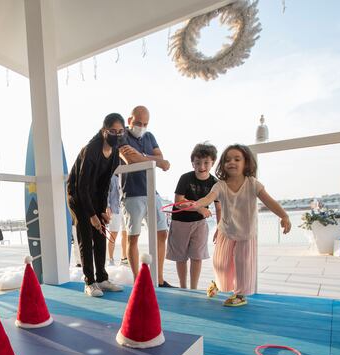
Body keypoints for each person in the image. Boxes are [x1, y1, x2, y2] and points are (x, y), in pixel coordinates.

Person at [191, 144, 291, 307]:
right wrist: (197, 204)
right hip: (226, 230)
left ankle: (240, 295)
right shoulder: (220, 185)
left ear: (246, 162)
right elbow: (209, 198)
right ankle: (219, 283)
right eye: (228, 160)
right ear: (222, 164)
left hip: (246, 233)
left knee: (243, 265)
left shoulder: (252, 183)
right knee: (221, 263)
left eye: (237, 159)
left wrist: (284, 216)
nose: (232, 162)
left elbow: (269, 201)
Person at [67, 113, 126, 297]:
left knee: (100, 234)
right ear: (104, 131)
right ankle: (89, 282)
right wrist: (92, 216)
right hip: (78, 196)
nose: (116, 135)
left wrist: (102, 210)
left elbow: (105, 184)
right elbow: (82, 187)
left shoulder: (114, 151)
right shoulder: (91, 150)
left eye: (120, 131)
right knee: (86, 236)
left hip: (94, 195)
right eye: (112, 131)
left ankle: (102, 278)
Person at [117, 106, 173, 287]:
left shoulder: (149, 136)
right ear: (129, 120)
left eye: (145, 123)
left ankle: (159, 278)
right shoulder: (121, 135)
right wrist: (155, 160)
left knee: (162, 233)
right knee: (133, 237)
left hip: (152, 192)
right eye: (138, 123)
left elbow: (163, 161)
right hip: (131, 193)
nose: (141, 126)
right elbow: (129, 159)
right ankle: (137, 281)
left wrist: (143, 156)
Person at [166, 143, 221, 289]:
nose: (201, 166)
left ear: (213, 163)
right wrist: (199, 208)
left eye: (206, 163)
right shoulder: (185, 178)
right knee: (181, 257)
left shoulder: (215, 182)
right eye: (197, 163)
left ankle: (194, 288)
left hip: (200, 224)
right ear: (192, 163)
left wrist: (220, 227)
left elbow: (219, 206)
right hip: (180, 222)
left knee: (197, 257)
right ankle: (183, 287)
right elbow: (178, 202)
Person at [106, 173, 123, 265]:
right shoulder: (111, 177)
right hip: (114, 209)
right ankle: (111, 259)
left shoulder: (123, 176)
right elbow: (107, 193)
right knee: (113, 233)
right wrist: (107, 206)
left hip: (124, 208)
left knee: (125, 233)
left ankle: (124, 258)